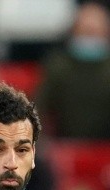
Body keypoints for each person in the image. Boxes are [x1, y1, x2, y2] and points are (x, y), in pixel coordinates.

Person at [36, 1, 110, 140]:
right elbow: (39, 109)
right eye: (85, 31)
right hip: (66, 147)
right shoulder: (58, 66)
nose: (90, 37)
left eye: (94, 32)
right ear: (74, 30)